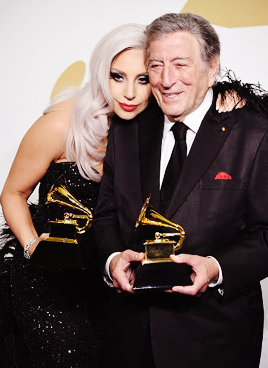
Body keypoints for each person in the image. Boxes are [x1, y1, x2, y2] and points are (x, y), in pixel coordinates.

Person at [93, 13, 268, 368]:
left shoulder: (254, 132)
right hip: (129, 338)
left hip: (215, 341)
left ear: (212, 65)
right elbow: (106, 215)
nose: (166, 79)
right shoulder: (127, 128)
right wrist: (113, 260)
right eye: (155, 65)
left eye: (180, 64)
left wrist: (215, 267)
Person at [0, 23, 151, 368]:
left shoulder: (150, 131)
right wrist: (31, 246)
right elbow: (12, 193)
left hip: (107, 283)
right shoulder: (61, 124)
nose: (129, 92)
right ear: (101, 74)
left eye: (142, 79)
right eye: (117, 76)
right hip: (48, 283)